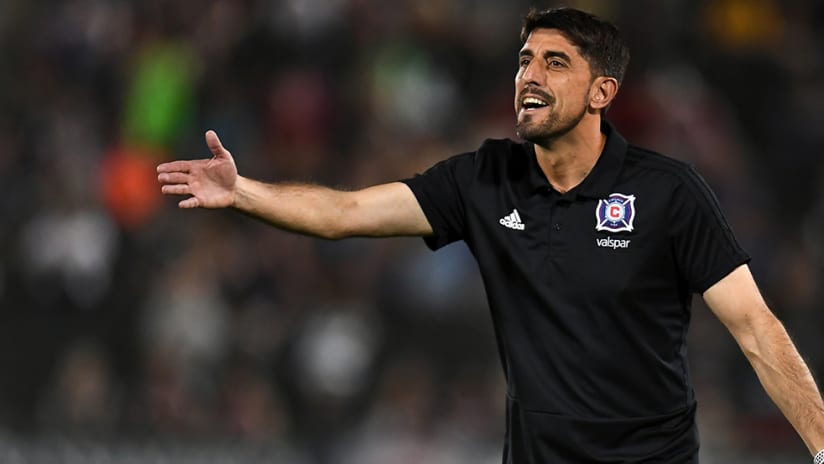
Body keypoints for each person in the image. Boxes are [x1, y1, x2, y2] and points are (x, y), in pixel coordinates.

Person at [157, 7, 824, 463]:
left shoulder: (668, 192)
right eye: (524, 60)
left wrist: (822, 446)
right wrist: (243, 192)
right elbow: (346, 213)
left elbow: (755, 329)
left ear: (602, 92)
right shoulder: (484, 179)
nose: (529, 76)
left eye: (555, 63)